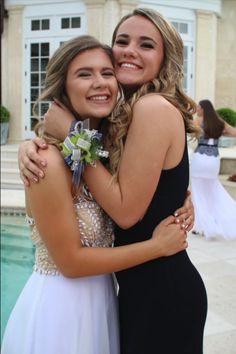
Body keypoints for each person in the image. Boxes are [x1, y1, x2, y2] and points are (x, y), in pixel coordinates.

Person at [17, 9, 205, 354]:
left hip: (161, 294)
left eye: (146, 44)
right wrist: (38, 144)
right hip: (117, 297)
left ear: (165, 59)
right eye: (122, 41)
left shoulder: (151, 108)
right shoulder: (108, 131)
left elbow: (125, 212)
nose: (130, 50)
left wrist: (73, 138)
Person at [191, 99, 236, 239]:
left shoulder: (198, 121)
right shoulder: (219, 122)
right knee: (212, 191)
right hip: (213, 160)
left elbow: (191, 132)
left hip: (200, 159)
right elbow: (234, 132)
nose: (197, 109)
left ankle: (200, 226)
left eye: (198, 106)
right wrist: (222, 133)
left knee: (198, 193)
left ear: (203, 109)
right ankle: (216, 221)